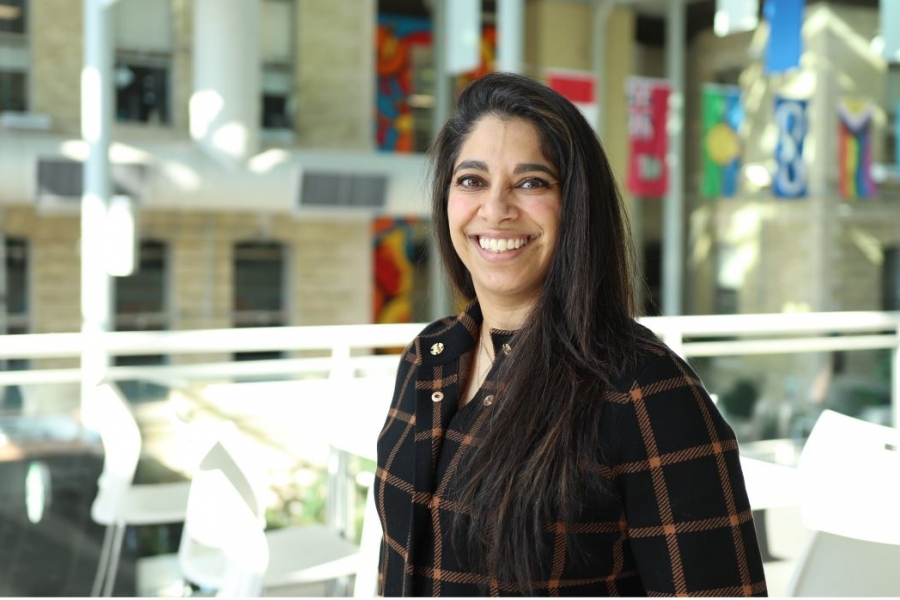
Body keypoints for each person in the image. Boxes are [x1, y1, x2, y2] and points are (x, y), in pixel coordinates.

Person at [375, 72, 767, 597]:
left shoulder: (644, 390)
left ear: (577, 205)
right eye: (472, 180)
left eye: (531, 182)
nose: (495, 209)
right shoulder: (429, 358)